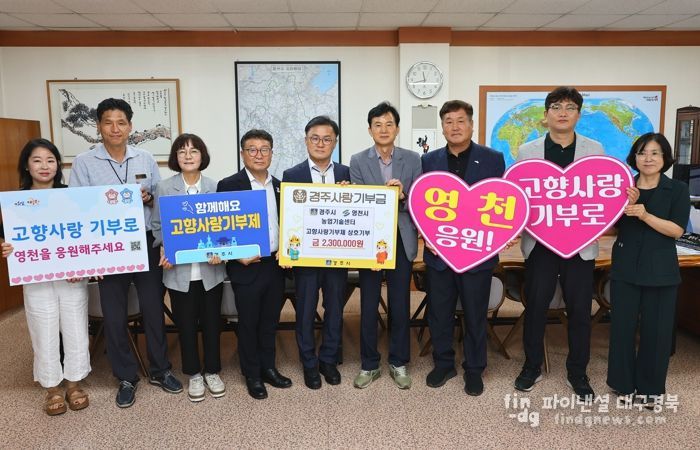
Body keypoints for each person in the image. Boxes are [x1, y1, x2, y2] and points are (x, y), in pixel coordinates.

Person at [69, 98, 182, 408]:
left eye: (121, 122)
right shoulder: (84, 162)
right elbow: (76, 209)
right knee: (114, 314)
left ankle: (160, 369)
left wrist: (148, 199)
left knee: (153, 308)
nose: (115, 128)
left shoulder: (145, 158)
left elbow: (159, 201)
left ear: (130, 126)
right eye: (108, 122)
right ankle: (125, 376)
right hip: (110, 247)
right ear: (99, 126)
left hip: (144, 241)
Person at [513, 86, 602, 400]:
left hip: (580, 244)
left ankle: (577, 372)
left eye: (570, 107)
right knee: (536, 307)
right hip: (541, 243)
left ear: (578, 114)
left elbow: (600, 194)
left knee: (580, 310)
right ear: (546, 114)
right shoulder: (528, 151)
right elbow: (519, 196)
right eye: (556, 107)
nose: (563, 112)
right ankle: (532, 366)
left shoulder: (595, 149)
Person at [421, 100, 505, 396]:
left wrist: (502, 233)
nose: (454, 127)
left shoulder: (493, 159)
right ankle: (444, 364)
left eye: (460, 121)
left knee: (475, 313)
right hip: (439, 253)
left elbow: (502, 202)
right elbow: (421, 203)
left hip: (477, 253)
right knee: (439, 313)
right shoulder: (429, 161)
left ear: (471, 125)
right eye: (448, 121)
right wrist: (425, 234)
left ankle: (474, 368)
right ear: (442, 127)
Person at [1, 139, 90, 415]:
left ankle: (74, 383)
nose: (44, 166)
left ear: (58, 165)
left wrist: (83, 265)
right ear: (27, 165)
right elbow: (5, 236)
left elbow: (88, 233)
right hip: (36, 276)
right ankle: (52, 387)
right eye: (37, 160)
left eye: (50, 160)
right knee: (43, 328)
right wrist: (4, 245)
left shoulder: (72, 196)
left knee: (76, 327)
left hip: (72, 275)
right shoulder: (15, 201)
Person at [607, 133, 690, 406]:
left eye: (655, 153)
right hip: (625, 267)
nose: (648, 158)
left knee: (657, 332)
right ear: (635, 157)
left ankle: (650, 390)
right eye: (642, 153)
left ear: (665, 158)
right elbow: (611, 227)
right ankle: (622, 384)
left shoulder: (677, 189)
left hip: (661, 271)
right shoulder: (624, 188)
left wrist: (644, 214)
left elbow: (676, 230)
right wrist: (623, 207)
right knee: (622, 329)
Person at [349, 102, 421, 389]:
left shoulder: (412, 159)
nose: (383, 129)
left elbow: (420, 201)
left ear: (397, 129)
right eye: (377, 125)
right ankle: (369, 364)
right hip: (369, 242)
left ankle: (398, 362)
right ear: (370, 130)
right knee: (368, 304)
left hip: (401, 239)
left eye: (389, 124)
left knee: (400, 304)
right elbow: (357, 203)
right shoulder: (357, 160)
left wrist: (403, 197)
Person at [217, 129, 292, 400]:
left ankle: (268, 368)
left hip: (275, 264)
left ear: (272, 153)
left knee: (270, 321)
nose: (258, 155)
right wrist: (236, 255)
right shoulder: (229, 185)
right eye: (252, 149)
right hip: (245, 264)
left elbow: (290, 223)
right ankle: (252, 374)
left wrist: (288, 250)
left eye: (264, 149)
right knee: (248, 322)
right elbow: (220, 229)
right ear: (242, 154)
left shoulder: (281, 186)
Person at [151, 133, 226, 402]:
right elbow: (157, 226)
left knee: (212, 324)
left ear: (202, 156)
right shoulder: (164, 187)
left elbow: (226, 226)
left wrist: (222, 251)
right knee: (185, 325)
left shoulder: (215, 187)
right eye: (182, 151)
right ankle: (193, 374)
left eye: (194, 151)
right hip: (178, 273)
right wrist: (166, 246)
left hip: (210, 272)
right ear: (175, 157)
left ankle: (212, 371)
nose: (188, 156)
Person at [282, 116, 351, 390]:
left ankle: (328, 360)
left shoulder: (347, 174)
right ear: (306, 140)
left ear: (335, 142)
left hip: (338, 255)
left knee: (334, 309)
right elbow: (287, 216)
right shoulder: (292, 175)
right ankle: (309, 363)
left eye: (327, 139)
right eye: (315, 138)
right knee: (306, 311)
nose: (320, 144)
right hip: (306, 258)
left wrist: (351, 195)